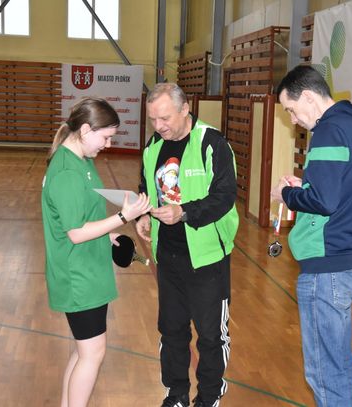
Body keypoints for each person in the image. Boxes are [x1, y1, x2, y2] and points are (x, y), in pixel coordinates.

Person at [271, 65, 352, 407]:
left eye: (291, 110)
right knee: (336, 364)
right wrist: (307, 185)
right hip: (346, 261)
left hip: (327, 267)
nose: (293, 120)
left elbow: (324, 202)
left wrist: (287, 195)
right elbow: (351, 194)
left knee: (325, 372)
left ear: (309, 97)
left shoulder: (329, 131)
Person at [41, 97, 151, 407]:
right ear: (86, 130)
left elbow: (82, 219)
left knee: (83, 351)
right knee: (92, 353)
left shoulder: (82, 161)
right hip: (78, 276)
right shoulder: (67, 172)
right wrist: (123, 217)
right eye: (106, 137)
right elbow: (75, 233)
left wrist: (108, 234)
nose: (108, 144)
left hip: (89, 268)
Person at [135, 83, 239, 407]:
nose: (158, 126)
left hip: (207, 259)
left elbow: (224, 197)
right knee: (172, 330)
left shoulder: (212, 143)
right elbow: (146, 186)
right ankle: (176, 394)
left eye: (165, 118)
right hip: (168, 257)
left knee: (211, 336)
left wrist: (184, 212)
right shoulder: (153, 146)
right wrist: (144, 215)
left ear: (185, 109)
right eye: (153, 119)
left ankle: (209, 397)